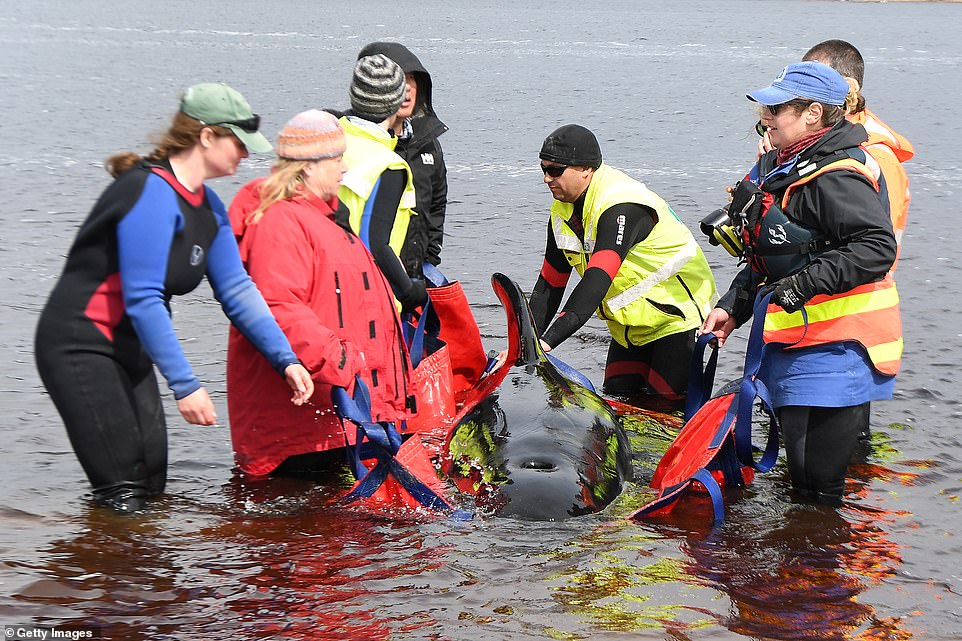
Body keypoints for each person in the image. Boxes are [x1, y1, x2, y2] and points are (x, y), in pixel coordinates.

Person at [34, 83, 314, 512]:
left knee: (151, 482)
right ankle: (98, 575)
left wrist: (286, 358)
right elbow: (143, 297)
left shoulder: (209, 209)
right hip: (80, 344)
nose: (245, 154)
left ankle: (128, 575)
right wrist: (186, 385)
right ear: (206, 137)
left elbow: (238, 291)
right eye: (238, 143)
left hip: (130, 346)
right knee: (122, 490)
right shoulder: (149, 193)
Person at [701, 62, 902, 505]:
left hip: (840, 348)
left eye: (777, 107)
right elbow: (772, 253)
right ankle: (798, 568)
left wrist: (799, 287)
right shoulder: (780, 166)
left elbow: (876, 248)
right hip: (795, 342)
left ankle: (823, 572)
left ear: (813, 113)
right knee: (799, 483)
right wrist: (732, 307)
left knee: (818, 488)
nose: (766, 115)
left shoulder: (837, 174)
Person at [226, 110, 416, 478]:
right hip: (302, 430)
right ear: (308, 166)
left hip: (336, 418)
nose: (344, 167)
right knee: (307, 532)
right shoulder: (281, 222)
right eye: (336, 158)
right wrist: (345, 364)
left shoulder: (325, 221)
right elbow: (278, 306)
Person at [528, 124, 717, 405]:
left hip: (676, 322)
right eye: (543, 169)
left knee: (665, 412)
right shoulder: (562, 211)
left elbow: (595, 282)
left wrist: (546, 343)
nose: (546, 178)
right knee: (618, 403)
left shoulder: (621, 206)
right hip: (629, 328)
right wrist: (524, 341)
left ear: (585, 169)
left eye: (555, 170)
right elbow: (549, 285)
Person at [802, 39, 915, 270]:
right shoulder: (819, 143)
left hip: (854, 296)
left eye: (812, 82)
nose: (800, 91)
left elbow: (877, 247)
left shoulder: (877, 156)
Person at [336, 54, 427, 313]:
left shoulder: (330, 139)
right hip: (367, 298)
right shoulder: (389, 165)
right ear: (395, 103)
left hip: (327, 285)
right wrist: (409, 291)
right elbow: (374, 242)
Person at [357, 42, 449, 278]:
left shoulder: (428, 143)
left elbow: (437, 203)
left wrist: (429, 255)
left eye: (412, 79)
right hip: (367, 273)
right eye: (400, 80)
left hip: (414, 273)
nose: (408, 89)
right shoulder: (354, 141)